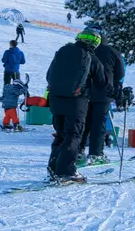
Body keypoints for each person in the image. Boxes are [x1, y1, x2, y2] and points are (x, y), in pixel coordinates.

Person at [45, 29, 105, 183]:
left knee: (60, 134)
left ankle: (53, 167)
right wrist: (120, 94)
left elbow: (49, 75)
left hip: (56, 101)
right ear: (95, 43)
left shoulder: (63, 52)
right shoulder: (92, 58)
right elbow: (102, 84)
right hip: (76, 103)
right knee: (73, 136)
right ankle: (66, 171)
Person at [81, 31, 125, 165]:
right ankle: (96, 154)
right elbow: (120, 73)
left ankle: (78, 152)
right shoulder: (112, 51)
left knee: (84, 123)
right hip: (104, 93)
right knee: (98, 124)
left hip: (84, 93)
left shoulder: (83, 50)